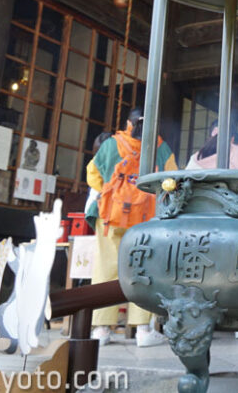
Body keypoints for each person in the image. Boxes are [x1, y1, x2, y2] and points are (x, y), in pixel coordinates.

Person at [86, 109, 178, 347]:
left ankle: (102, 329)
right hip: (145, 220)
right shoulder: (160, 148)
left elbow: (92, 175)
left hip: (110, 216)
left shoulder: (112, 144)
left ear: (128, 123)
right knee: (142, 270)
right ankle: (143, 331)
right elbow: (173, 180)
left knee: (106, 270)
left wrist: (111, 192)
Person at [186, 122, 238, 339]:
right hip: (237, 227)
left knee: (203, 276)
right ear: (231, 138)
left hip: (202, 229)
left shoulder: (196, 158)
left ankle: (201, 320)